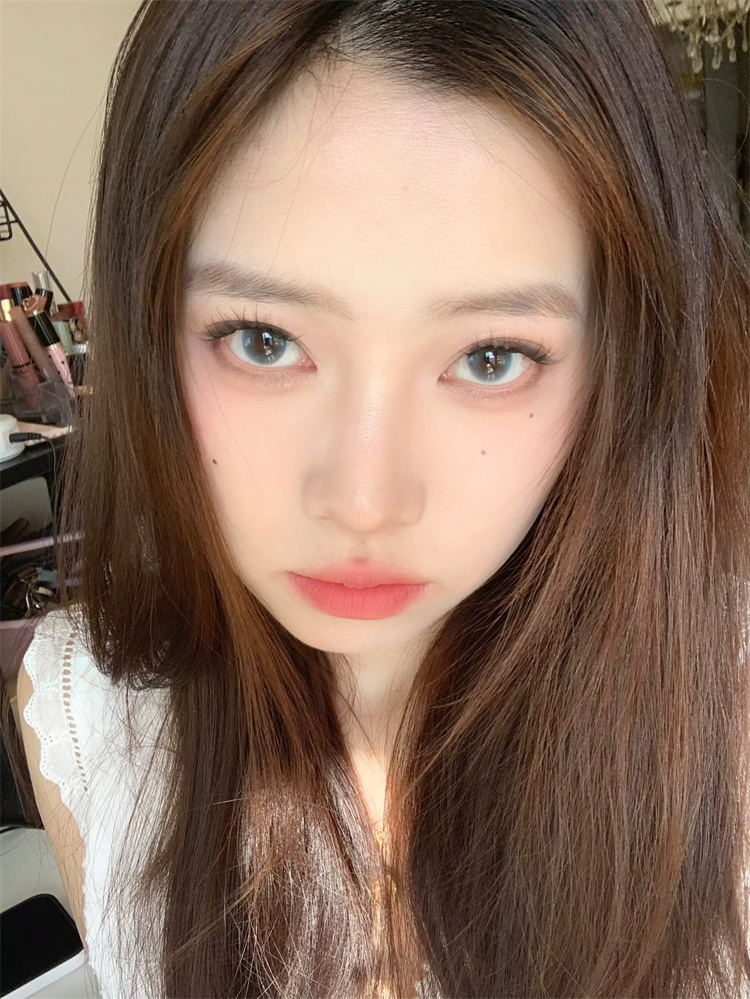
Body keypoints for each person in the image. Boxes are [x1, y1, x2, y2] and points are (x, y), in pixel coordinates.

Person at [5, 0, 750, 996]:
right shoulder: (93, 721)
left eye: (492, 356)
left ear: (622, 366)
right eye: (264, 340)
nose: (364, 501)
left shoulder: (726, 728)